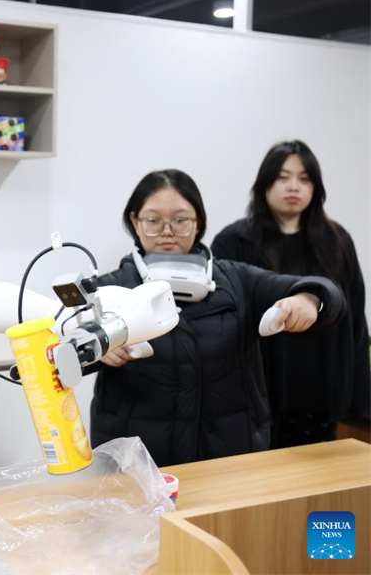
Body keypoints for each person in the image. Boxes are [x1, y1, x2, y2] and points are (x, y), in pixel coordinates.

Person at [88, 169, 345, 467]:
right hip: (136, 465)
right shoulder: (108, 291)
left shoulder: (237, 280)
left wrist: (308, 300)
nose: (167, 231)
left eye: (181, 220)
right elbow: (56, 351)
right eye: (153, 221)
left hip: (229, 459)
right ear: (135, 222)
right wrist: (99, 349)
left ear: (198, 223)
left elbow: (326, 291)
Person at [212, 140, 369, 449]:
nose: (293, 186)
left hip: (319, 392)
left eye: (304, 178)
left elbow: (355, 322)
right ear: (264, 184)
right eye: (282, 177)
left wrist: (358, 395)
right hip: (256, 391)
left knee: (313, 480)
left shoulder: (336, 240)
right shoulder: (234, 240)